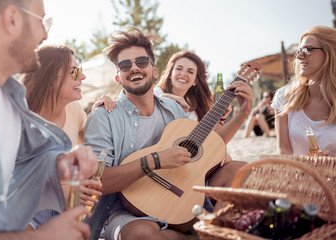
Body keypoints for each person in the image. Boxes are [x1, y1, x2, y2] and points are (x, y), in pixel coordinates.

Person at [84, 27, 253, 240]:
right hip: (126, 210)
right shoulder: (104, 116)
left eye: (142, 62)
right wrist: (154, 160)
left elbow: (208, 146)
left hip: (180, 199)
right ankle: (200, 235)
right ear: (118, 78)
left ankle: (214, 227)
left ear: (155, 71)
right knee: (141, 235)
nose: (134, 68)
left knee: (240, 170)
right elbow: (97, 183)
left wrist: (243, 113)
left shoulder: (173, 109)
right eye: (125, 65)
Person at [0, 0, 98, 239]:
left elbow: (23, 161)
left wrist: (59, 163)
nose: (44, 35)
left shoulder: (11, 100)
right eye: (42, 21)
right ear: (12, 19)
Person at [22, 45, 102, 228]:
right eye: (74, 72)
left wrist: (103, 112)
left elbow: (91, 146)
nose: (82, 77)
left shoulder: (74, 109)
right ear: (50, 79)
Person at [271, 26, 336, 156]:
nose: (299, 56)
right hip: (296, 174)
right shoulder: (284, 97)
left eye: (307, 49)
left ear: (330, 52)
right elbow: (283, 150)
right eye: (298, 51)